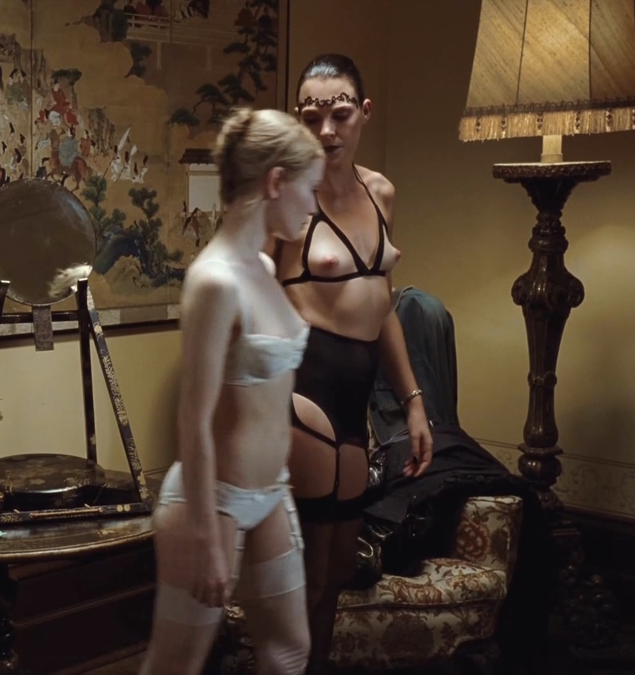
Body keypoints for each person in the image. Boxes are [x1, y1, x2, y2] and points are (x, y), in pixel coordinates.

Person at [139, 108, 324, 675]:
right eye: (310, 189)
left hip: (271, 493)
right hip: (211, 501)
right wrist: (205, 536)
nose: (313, 206)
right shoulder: (214, 280)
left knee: (290, 652)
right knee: (175, 666)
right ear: (276, 181)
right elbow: (193, 419)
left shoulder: (263, 264)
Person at [270, 53, 434, 673]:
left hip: (357, 391)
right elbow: (248, 295)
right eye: (312, 118)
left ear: (363, 112)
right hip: (304, 383)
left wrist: (413, 401)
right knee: (311, 568)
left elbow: (381, 305)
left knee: (339, 569)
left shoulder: (380, 191)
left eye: (339, 115)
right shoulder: (285, 197)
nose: (326, 131)